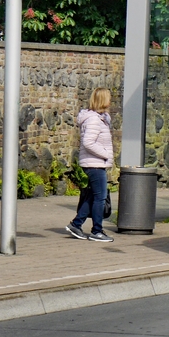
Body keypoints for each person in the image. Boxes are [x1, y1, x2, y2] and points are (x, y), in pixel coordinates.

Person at [66, 87, 115, 242]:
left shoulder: (100, 118)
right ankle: (97, 231)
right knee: (100, 198)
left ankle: (76, 223)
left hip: (96, 163)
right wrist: (105, 154)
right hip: (95, 163)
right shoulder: (94, 120)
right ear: (103, 100)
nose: (111, 101)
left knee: (94, 196)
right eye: (108, 98)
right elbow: (88, 142)